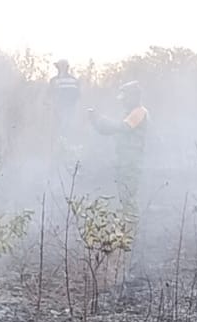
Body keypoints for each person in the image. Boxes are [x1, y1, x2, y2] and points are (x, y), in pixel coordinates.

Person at [88, 80, 150, 224]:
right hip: (124, 158)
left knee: (128, 193)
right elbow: (109, 130)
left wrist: (100, 119)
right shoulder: (129, 112)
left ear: (134, 97)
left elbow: (122, 128)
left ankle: (132, 224)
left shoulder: (139, 112)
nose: (123, 102)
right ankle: (128, 224)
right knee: (124, 193)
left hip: (132, 159)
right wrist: (96, 122)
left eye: (125, 98)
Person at [50, 59, 80, 139]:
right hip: (62, 108)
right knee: (65, 126)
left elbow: (77, 94)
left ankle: (64, 141)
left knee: (63, 126)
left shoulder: (55, 80)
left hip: (64, 108)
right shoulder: (73, 80)